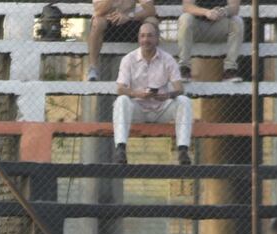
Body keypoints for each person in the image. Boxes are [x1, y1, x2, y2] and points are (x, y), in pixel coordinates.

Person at [113, 21, 193, 165]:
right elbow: (120, 89)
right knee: (121, 100)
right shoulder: (128, 59)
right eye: (142, 36)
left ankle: (183, 150)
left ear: (157, 38)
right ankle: (120, 149)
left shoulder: (168, 59)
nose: (146, 40)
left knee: (184, 101)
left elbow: (180, 88)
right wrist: (138, 94)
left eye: (150, 36)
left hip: (162, 109)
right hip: (138, 109)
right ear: (138, 38)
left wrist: (168, 95)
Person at [87, 0, 158, 82]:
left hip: (130, 20)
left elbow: (151, 9)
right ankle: (93, 67)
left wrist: (129, 16)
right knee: (97, 22)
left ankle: (152, 64)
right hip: (107, 22)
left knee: (152, 21)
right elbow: (98, 10)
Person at [177, 1, 243, 83]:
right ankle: (184, 68)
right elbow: (187, 6)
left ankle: (230, 70)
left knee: (237, 20)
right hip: (197, 29)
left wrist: (224, 11)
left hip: (219, 27)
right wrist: (206, 12)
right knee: (185, 18)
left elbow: (235, 7)